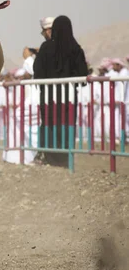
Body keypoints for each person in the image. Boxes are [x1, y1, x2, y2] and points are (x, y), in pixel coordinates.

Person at [33, 15, 88, 167]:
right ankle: (66, 158)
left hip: (48, 98)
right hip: (68, 98)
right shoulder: (76, 49)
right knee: (67, 124)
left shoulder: (45, 48)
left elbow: (37, 72)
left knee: (50, 124)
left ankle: (50, 157)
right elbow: (82, 75)